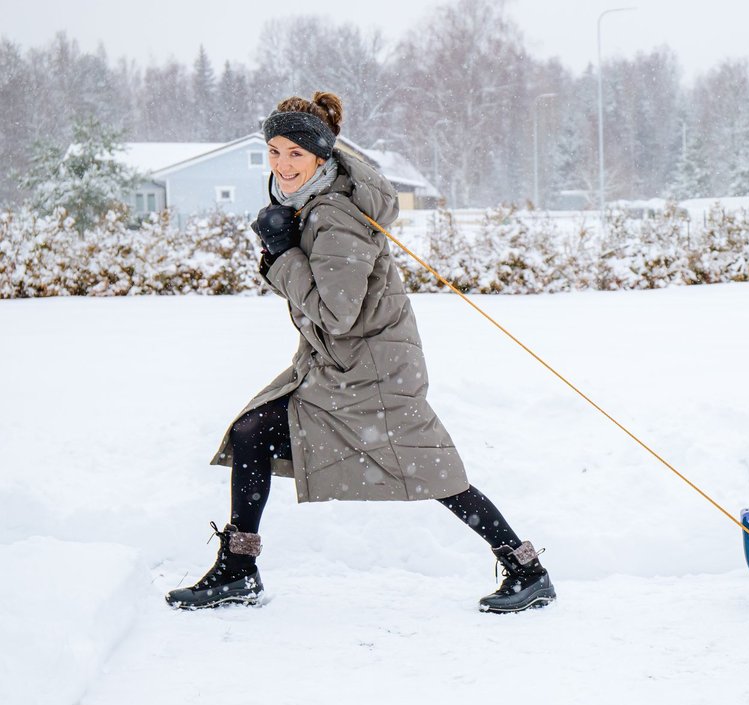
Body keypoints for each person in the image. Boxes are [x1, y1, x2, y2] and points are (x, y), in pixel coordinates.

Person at [166, 92, 554, 614]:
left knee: (431, 471)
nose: (282, 165)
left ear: (322, 159)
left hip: (373, 373)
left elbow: (336, 313)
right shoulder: (309, 206)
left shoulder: (335, 216)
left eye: (295, 155)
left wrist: (280, 256)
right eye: (274, 151)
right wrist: (283, 250)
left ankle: (526, 569)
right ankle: (239, 570)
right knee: (253, 432)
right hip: (339, 368)